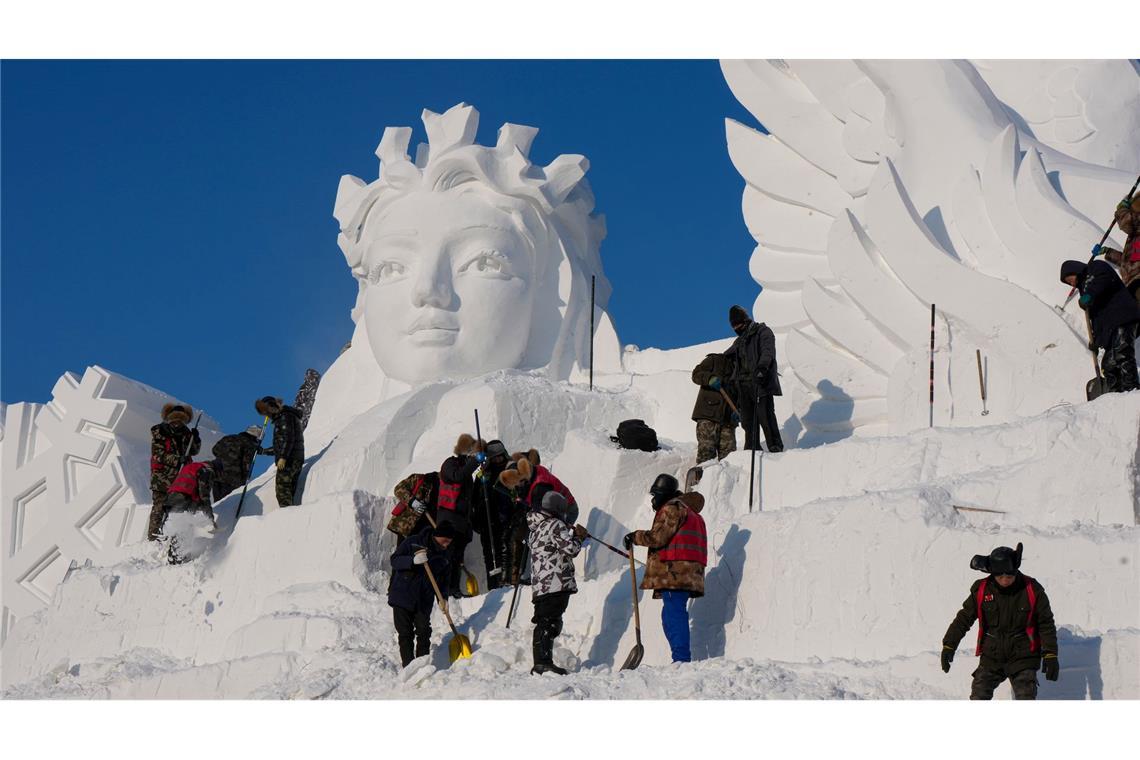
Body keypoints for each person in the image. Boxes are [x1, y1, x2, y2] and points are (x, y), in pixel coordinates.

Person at [941, 543, 1059, 700]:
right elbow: (963, 619)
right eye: (999, 576)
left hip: (1023, 656)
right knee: (979, 694)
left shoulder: (1032, 589)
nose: (1004, 580)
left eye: (1009, 576)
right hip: (992, 656)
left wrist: (1050, 654)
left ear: (1016, 572)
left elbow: (1046, 624)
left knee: (1026, 697)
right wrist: (950, 645)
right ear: (992, 574)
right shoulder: (981, 590)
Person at [623, 473, 707, 663]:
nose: (653, 500)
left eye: (656, 495)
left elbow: (657, 537)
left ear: (665, 494)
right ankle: (679, 657)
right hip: (690, 572)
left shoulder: (672, 508)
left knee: (674, 613)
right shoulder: (691, 513)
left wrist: (634, 536)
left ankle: (681, 659)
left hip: (675, 572)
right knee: (670, 613)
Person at [526, 492, 588, 675]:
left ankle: (541, 662)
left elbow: (552, 546)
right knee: (550, 623)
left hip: (540, 585)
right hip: (556, 581)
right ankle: (543, 662)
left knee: (544, 622)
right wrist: (579, 537)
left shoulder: (536, 529)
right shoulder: (555, 524)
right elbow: (570, 548)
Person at [1060, 259, 1140, 392]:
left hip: (1122, 316)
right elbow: (1095, 318)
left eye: (1069, 279)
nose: (1071, 283)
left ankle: (1132, 390)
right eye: (1068, 283)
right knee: (1108, 365)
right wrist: (1096, 341)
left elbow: (1105, 279)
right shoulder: (1083, 288)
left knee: (1122, 353)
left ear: (1074, 270)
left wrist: (1090, 294)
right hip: (1110, 326)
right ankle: (1116, 394)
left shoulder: (1095, 267)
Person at [387, 522, 455, 668]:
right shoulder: (413, 542)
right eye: (446, 541)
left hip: (424, 598)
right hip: (403, 594)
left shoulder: (445, 555)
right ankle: (408, 666)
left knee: (424, 632)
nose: (447, 545)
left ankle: (421, 666)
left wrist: (443, 598)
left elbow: (444, 580)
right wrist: (412, 561)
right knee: (405, 633)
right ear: (438, 536)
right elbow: (395, 560)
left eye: (450, 542)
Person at [724, 304, 784, 453]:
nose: (736, 328)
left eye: (738, 324)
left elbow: (767, 351)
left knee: (765, 415)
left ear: (745, 321)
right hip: (743, 384)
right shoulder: (739, 342)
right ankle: (751, 447)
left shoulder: (762, 332)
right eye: (734, 326)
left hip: (759, 381)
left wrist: (762, 368)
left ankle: (774, 445)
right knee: (747, 419)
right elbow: (728, 355)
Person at [437, 433, 484, 596]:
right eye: (471, 453)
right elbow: (457, 477)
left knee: (457, 558)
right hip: (449, 520)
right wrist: (474, 461)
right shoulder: (450, 464)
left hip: (462, 523)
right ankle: (444, 590)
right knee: (447, 557)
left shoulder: (468, 473)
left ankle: (454, 589)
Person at [147, 403, 201, 540]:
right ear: (169, 420)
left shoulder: (186, 434)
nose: (177, 424)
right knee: (159, 506)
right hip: (161, 476)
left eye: (181, 421)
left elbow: (193, 451)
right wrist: (178, 459)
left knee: (179, 506)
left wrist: (196, 439)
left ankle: (173, 535)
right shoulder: (160, 433)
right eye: (175, 421)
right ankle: (153, 537)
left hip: (182, 477)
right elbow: (158, 454)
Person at [469, 439, 513, 589]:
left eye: (500, 456)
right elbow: (473, 499)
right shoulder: (482, 474)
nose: (498, 460)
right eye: (494, 458)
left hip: (506, 519)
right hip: (486, 521)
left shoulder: (510, 471)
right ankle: (493, 586)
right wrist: (475, 521)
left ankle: (507, 581)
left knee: (506, 550)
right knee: (490, 555)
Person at [162, 458, 223, 564]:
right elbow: (204, 496)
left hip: (171, 499)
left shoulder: (194, 466)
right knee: (183, 529)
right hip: (182, 500)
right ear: (215, 469)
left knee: (180, 527)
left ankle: (176, 557)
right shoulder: (206, 471)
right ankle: (178, 559)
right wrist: (211, 519)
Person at [255, 396, 306, 507]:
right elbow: (280, 445)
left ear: (271, 408)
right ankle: (290, 514)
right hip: (293, 457)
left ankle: (286, 515)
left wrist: (283, 457)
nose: (267, 416)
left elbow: (289, 438)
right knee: (288, 490)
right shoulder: (283, 417)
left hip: (290, 459)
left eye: (267, 412)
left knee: (282, 489)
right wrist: (264, 451)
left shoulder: (285, 417)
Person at [691, 352, 740, 463]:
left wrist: (738, 411)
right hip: (708, 416)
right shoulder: (715, 360)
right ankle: (702, 480)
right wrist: (709, 378)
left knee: (730, 460)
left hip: (728, 422)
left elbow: (741, 396)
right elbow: (696, 374)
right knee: (706, 457)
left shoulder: (742, 372)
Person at [1097, 195, 1140, 307]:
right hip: (1132, 285)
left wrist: (1121, 209)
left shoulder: (1136, 228)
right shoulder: (1136, 238)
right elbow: (1132, 263)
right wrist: (1108, 252)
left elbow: (1127, 223)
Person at [209, 426, 262, 501]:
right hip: (233, 479)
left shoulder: (228, 438)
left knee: (219, 505)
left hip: (218, 475)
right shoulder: (249, 444)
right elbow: (246, 463)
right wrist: (244, 481)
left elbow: (214, 450)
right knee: (228, 505)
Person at [387, 471, 441, 538]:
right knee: (404, 547)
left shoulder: (447, 491)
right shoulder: (420, 479)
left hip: (426, 533)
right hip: (406, 526)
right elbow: (398, 489)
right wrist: (412, 501)